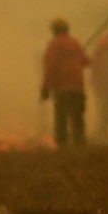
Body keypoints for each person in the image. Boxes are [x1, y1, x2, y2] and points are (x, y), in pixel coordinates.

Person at [41, 17, 89, 147]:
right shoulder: (75, 43)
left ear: (54, 30)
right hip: (78, 87)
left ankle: (62, 146)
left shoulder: (54, 45)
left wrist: (45, 88)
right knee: (77, 117)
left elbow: (49, 67)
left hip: (62, 88)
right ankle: (80, 145)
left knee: (61, 118)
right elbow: (86, 62)